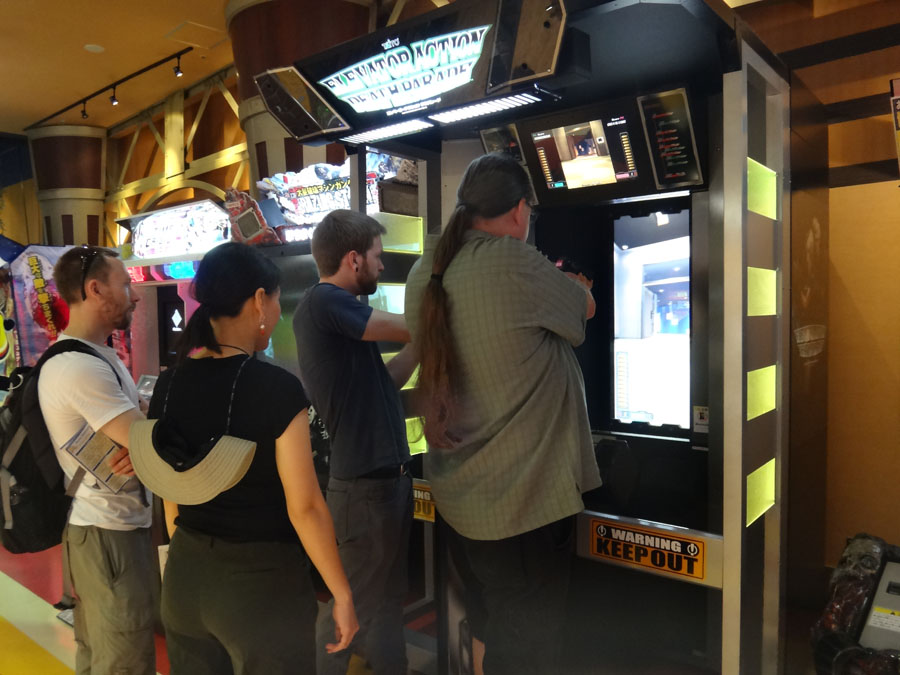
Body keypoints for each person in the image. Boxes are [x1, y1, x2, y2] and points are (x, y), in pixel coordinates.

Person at [405, 153, 602, 675]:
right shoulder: (514, 261)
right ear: (519, 211)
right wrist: (578, 285)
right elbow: (582, 310)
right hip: (523, 507)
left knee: (489, 625)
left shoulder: (427, 268)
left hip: (462, 503)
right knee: (527, 650)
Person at [130, 242, 358, 675]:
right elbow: (306, 508)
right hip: (260, 590)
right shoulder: (277, 388)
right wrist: (342, 594)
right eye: (275, 302)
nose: (276, 314)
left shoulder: (169, 384)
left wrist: (189, 554)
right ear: (258, 300)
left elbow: (171, 490)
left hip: (184, 579)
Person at [293, 209, 417, 675]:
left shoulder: (343, 321)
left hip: (384, 484)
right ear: (353, 259)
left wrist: (424, 347)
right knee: (347, 611)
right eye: (377, 256)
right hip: (365, 489)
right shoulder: (325, 300)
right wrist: (447, 311)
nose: (382, 265)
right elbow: (406, 326)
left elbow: (387, 380)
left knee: (383, 604)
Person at [38, 245, 155, 675]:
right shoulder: (79, 366)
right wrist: (142, 440)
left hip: (103, 529)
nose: (135, 295)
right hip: (108, 534)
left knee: (102, 654)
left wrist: (141, 438)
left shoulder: (93, 355)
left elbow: (141, 439)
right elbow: (146, 442)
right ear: (95, 289)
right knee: (124, 659)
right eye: (124, 284)